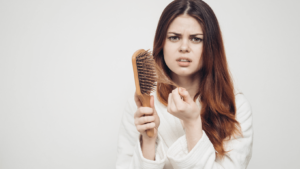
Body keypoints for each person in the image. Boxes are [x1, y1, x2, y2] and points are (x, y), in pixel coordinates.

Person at [116, 0, 253, 168]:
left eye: (196, 39)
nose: (184, 47)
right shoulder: (140, 108)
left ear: (211, 46)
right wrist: (148, 141)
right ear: (162, 44)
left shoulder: (236, 107)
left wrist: (193, 124)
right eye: (174, 37)